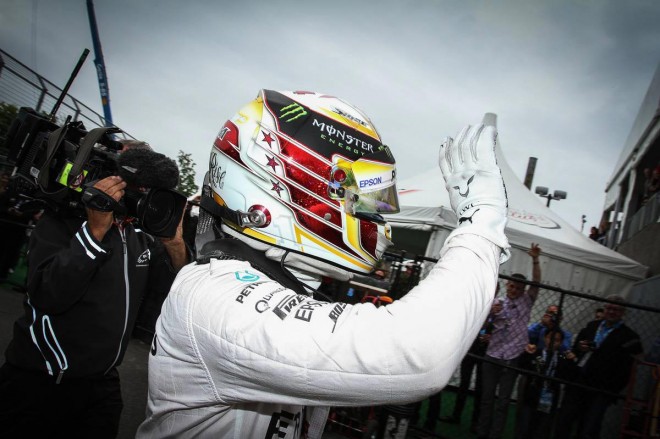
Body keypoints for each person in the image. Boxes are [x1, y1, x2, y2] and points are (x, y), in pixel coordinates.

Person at [136, 90, 511, 438]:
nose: (374, 211)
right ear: (292, 183)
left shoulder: (267, 284)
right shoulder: (214, 298)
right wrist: (481, 222)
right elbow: (417, 355)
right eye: (359, 193)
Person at [0, 141, 189, 438]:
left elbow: (175, 289)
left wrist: (175, 243)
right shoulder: (62, 221)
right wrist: (94, 231)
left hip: (102, 383)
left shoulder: (137, 236)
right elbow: (48, 295)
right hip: (41, 381)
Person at [554, 296, 643, 439]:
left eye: (616, 309)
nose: (611, 312)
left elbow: (633, 364)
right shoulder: (592, 326)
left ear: (623, 312)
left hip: (602, 388)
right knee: (564, 421)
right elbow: (574, 350)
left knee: (589, 427)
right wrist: (579, 347)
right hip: (579, 381)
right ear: (604, 308)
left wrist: (612, 390)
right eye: (609, 308)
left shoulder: (629, 336)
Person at [477, 243, 541, 439]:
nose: (514, 290)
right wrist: (490, 314)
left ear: (523, 290)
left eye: (518, 288)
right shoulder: (498, 303)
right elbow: (482, 326)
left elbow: (537, 284)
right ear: (507, 285)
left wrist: (535, 260)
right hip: (493, 354)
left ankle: (495, 435)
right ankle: (482, 433)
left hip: (513, 355)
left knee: (503, 401)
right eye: (511, 286)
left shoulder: (527, 301)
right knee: (487, 398)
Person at [515, 330, 578, 439]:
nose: (553, 342)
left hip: (549, 399)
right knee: (524, 427)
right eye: (550, 338)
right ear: (545, 338)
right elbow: (521, 367)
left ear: (561, 342)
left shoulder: (562, 358)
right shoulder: (536, 352)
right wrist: (526, 354)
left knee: (542, 429)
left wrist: (571, 361)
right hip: (531, 396)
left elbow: (570, 376)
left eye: (557, 340)